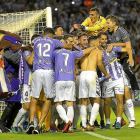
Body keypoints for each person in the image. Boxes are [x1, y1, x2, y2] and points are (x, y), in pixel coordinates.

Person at [26, 27, 72, 134]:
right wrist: (66, 41)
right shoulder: (54, 41)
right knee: (48, 98)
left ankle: (31, 122)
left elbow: (31, 48)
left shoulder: (36, 40)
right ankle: (39, 125)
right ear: (52, 35)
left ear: (43, 34)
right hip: (48, 71)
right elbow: (68, 47)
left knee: (34, 98)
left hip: (37, 71)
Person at [53, 45, 94, 133]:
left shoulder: (55, 53)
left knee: (57, 103)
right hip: (70, 80)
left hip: (59, 79)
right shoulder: (73, 53)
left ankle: (68, 122)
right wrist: (94, 46)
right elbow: (85, 51)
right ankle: (70, 128)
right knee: (70, 104)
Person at [98, 32, 133, 129]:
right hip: (107, 80)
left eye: (105, 39)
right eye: (102, 39)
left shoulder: (112, 47)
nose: (104, 41)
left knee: (120, 100)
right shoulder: (97, 51)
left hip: (118, 78)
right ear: (99, 40)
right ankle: (108, 123)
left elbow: (127, 48)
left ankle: (118, 121)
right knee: (106, 102)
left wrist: (122, 57)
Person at [78, 32, 110, 131]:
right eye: (98, 41)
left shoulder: (83, 51)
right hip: (92, 74)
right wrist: (106, 74)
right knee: (96, 100)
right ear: (94, 43)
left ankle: (84, 125)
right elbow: (100, 64)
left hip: (82, 75)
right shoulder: (97, 51)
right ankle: (91, 124)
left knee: (84, 100)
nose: (99, 43)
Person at [105, 15, 140, 101]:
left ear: (114, 23)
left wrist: (131, 58)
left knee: (126, 69)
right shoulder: (108, 32)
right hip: (118, 55)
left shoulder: (121, 31)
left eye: (108, 23)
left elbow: (128, 46)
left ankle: (136, 90)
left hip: (128, 53)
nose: (107, 25)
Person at [11, 34, 40, 133]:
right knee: (27, 105)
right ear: (32, 44)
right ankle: (15, 125)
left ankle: (33, 125)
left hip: (36, 82)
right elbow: (31, 62)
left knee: (33, 105)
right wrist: (36, 50)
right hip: (27, 83)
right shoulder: (27, 52)